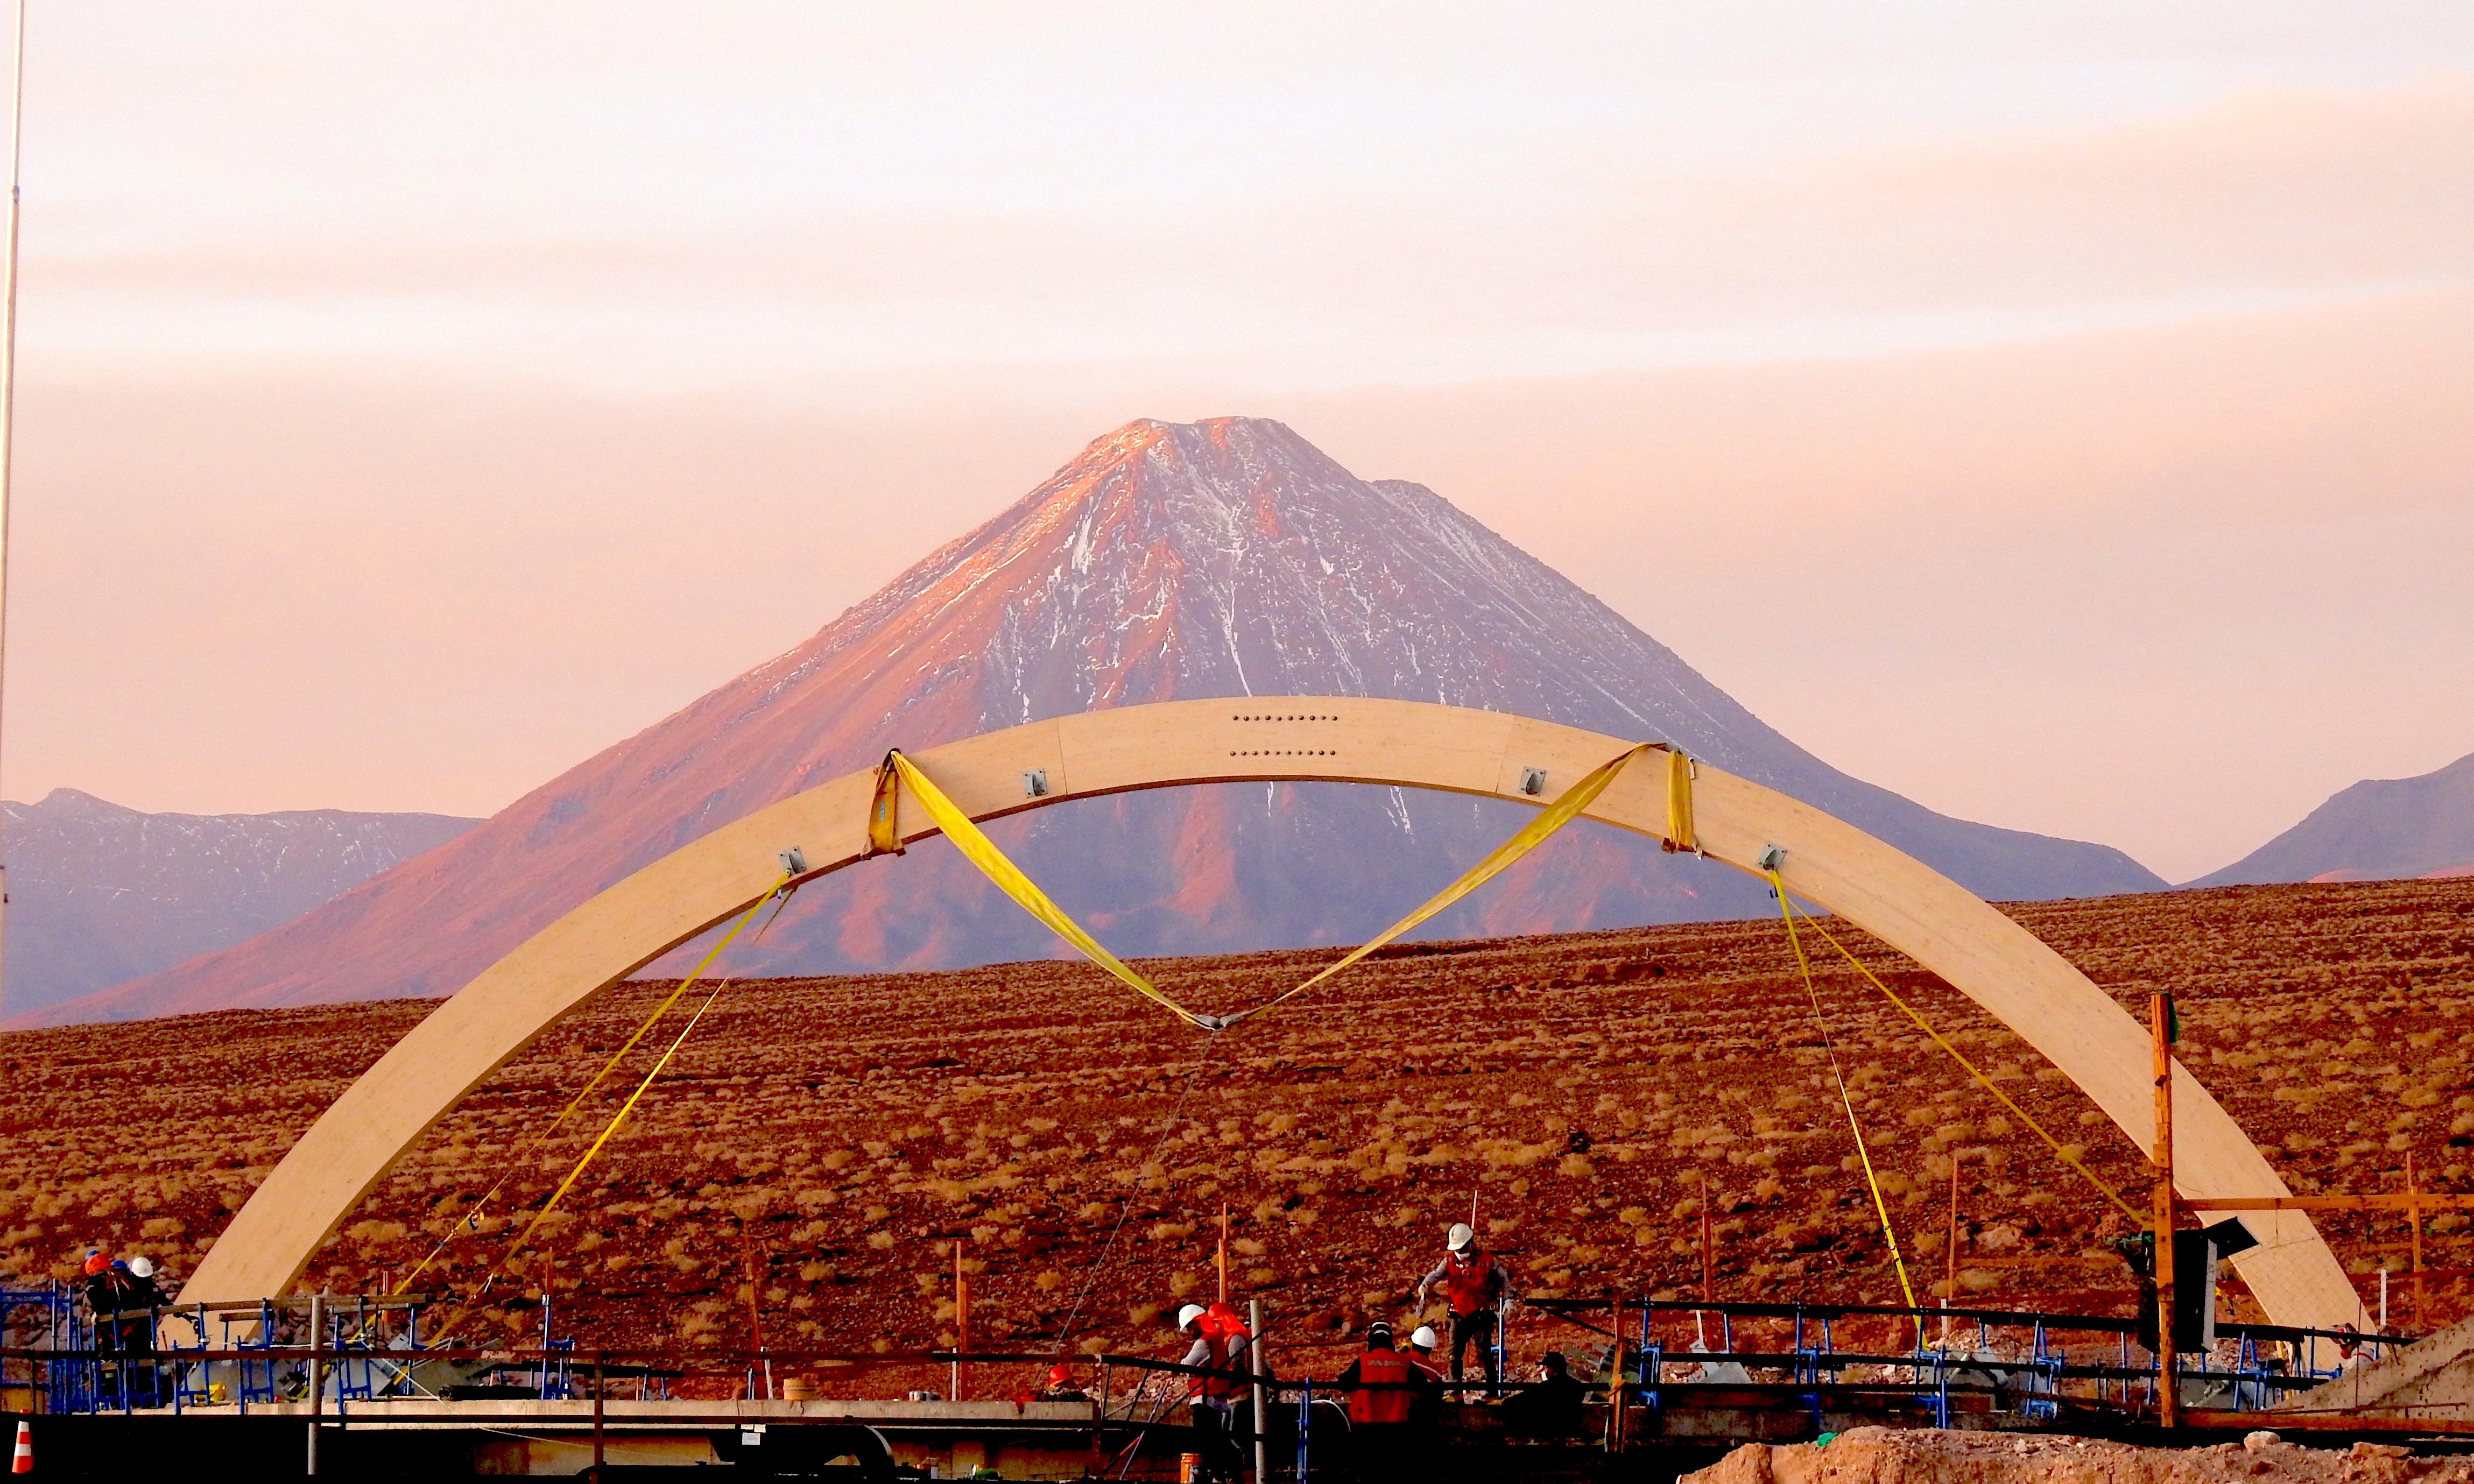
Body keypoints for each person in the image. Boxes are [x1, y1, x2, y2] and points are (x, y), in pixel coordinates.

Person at [1414, 1223, 1507, 1392]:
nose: (1460, 1252)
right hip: (1459, 1313)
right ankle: (1456, 1392)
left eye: (1463, 1248)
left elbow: (1504, 1280)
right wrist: (1425, 1285)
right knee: (1454, 1353)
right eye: (1457, 1249)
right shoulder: (1449, 1261)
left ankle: (1493, 1392)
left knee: (1484, 1353)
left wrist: (1508, 1301)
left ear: (1471, 1243)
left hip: (1482, 1313)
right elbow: (1435, 1274)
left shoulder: (1487, 1260)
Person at [1337, 1320, 1436, 1450]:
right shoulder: (1404, 1362)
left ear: (1371, 1340)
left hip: (1367, 1423)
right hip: (1397, 1425)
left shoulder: (1363, 1361)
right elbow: (1422, 1383)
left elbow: (1344, 1385)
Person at [1174, 1303, 1244, 1483]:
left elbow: (1188, 1364)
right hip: (1218, 1395)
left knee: (1208, 1439)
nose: (1189, 1332)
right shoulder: (1217, 1340)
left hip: (1206, 1397)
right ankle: (1227, 1473)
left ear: (1198, 1321)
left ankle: (1218, 1475)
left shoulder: (1204, 1342)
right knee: (1216, 1438)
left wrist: (1178, 1364)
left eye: (1189, 1327)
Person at [1500, 1351, 1588, 1437]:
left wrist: (1506, 1402)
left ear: (1551, 1368)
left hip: (1551, 1430)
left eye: (1545, 1367)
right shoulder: (1577, 1386)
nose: (1543, 1371)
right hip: (1572, 1429)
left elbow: (1520, 1399)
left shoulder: (1546, 1387)